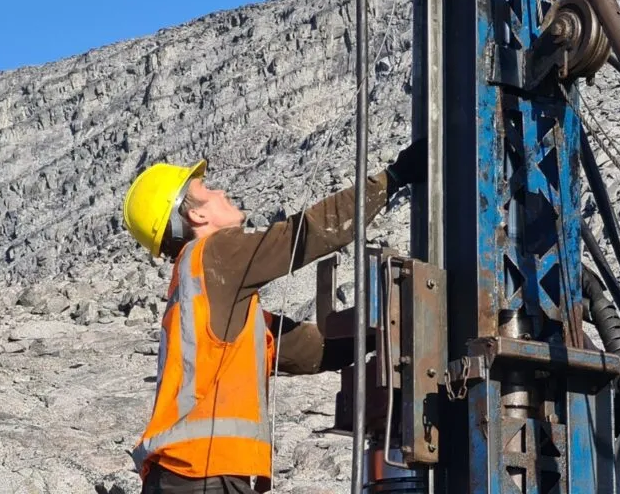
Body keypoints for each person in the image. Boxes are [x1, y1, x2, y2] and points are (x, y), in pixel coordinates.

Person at [120, 139, 426, 494]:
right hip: (199, 475)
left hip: (186, 475)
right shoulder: (214, 253)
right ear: (197, 216)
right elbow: (303, 235)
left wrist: (386, 327)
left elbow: (306, 349)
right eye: (207, 189)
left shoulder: (207, 293)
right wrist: (393, 178)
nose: (221, 192)